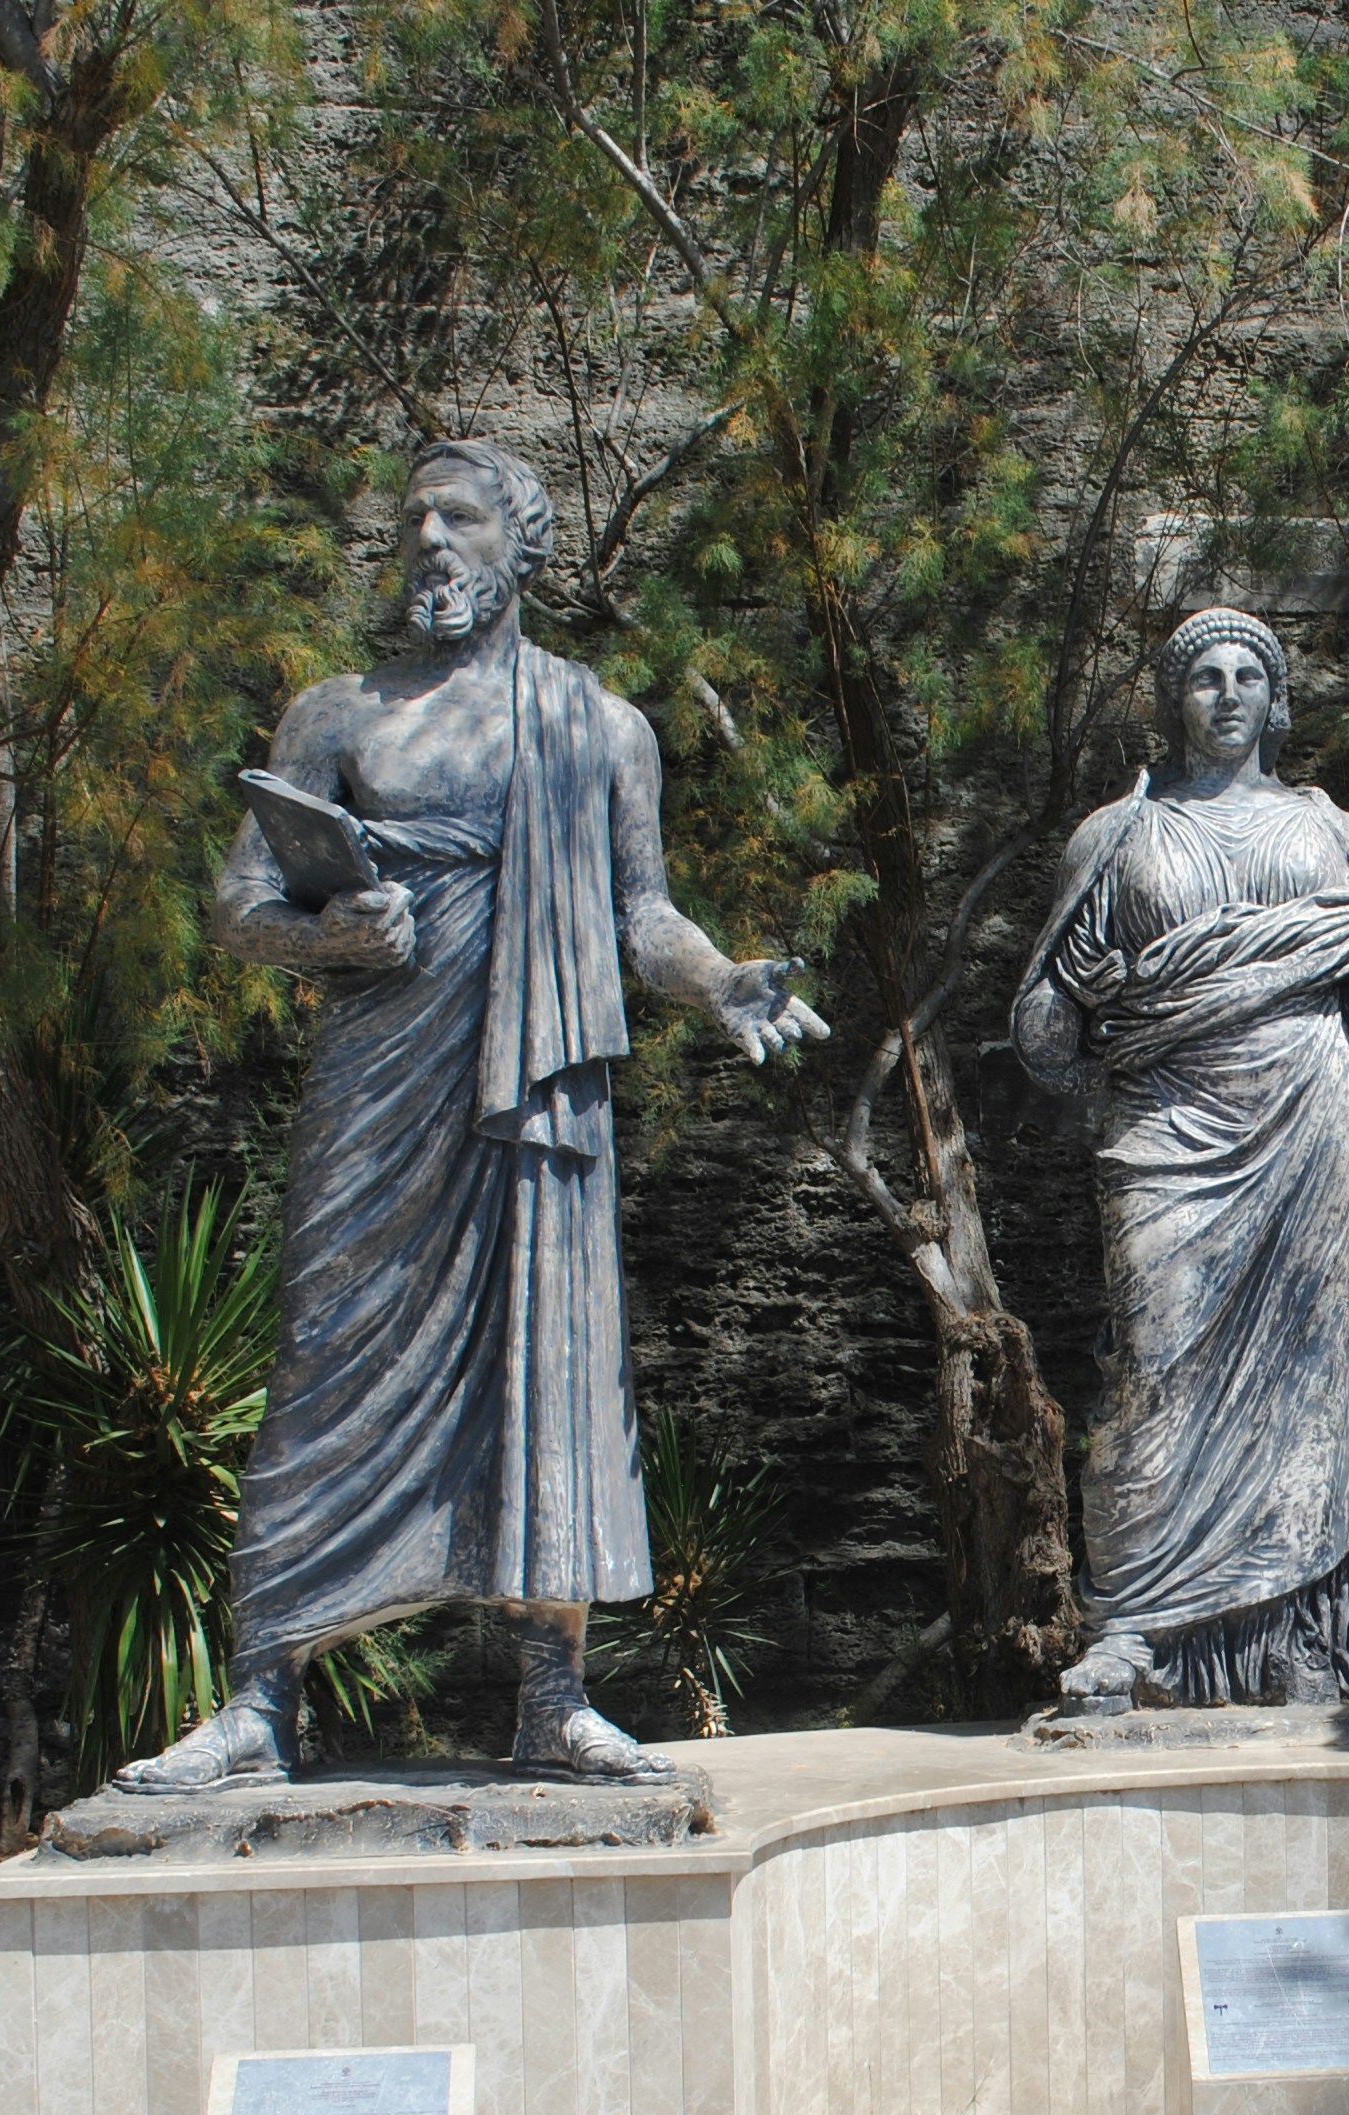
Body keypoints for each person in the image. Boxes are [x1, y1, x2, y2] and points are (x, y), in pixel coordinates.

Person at [112, 439, 826, 1793]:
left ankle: (550, 1697)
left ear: (523, 546)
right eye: (415, 520)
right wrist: (327, 938)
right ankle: (261, 1701)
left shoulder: (598, 726)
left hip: (538, 1082)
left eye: (462, 518)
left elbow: (639, 914)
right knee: (329, 1351)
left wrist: (721, 982)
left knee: (548, 1358)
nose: (432, 541)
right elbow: (240, 905)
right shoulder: (338, 716)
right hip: (381, 1078)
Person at [1012, 607, 1349, 1710]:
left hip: (1316, 1117)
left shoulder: (1325, 828)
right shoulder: (1116, 836)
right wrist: (1090, 1012)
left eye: (1247, 677)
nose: (1226, 694)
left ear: (1275, 702)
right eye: (1204, 678)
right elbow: (1043, 1028)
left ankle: (1307, 1639)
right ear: (1173, 702)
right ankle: (1133, 1626)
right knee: (1152, 1367)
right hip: (1168, 1123)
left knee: (1314, 1382)